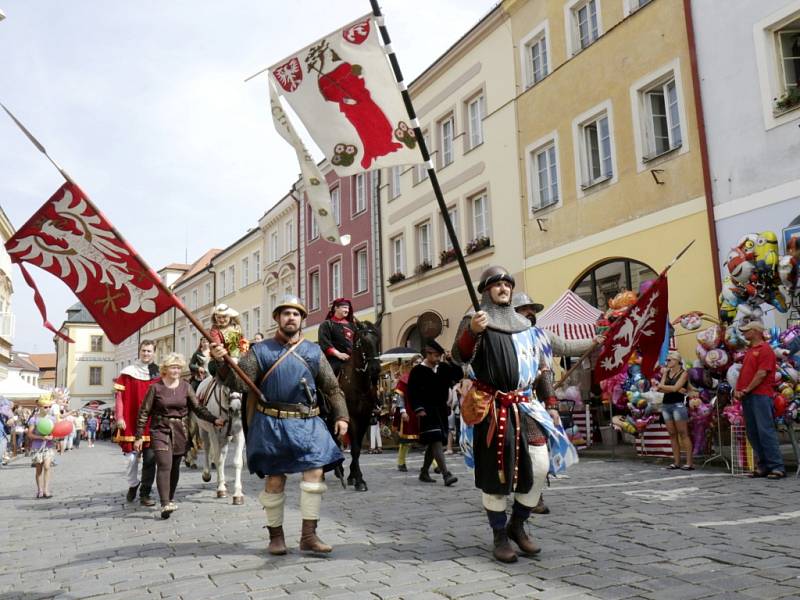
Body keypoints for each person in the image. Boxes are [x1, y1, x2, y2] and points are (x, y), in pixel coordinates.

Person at [453, 266, 593, 563]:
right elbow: (459, 356)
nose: (503, 288)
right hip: (491, 407)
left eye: (507, 284)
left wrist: (597, 340)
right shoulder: (475, 321)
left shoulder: (528, 328)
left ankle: (517, 525)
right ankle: (499, 535)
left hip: (526, 406)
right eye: (497, 284)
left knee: (540, 465)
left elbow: (551, 360)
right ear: (486, 290)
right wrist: (472, 332)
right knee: (496, 476)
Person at [210, 295, 349, 555]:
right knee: (275, 480)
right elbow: (240, 384)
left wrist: (342, 416)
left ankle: (309, 535)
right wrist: (221, 362)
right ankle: (276, 537)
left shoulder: (313, 351)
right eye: (286, 313)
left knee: (315, 474)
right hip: (272, 422)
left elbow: (331, 387)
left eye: (295, 314)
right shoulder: (259, 351)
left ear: (301, 319)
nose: (291, 318)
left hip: (308, 422)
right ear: (277, 318)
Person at [134, 353, 224, 519]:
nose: (175, 370)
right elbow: (144, 412)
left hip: (180, 430)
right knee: (164, 464)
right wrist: (139, 435)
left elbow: (198, 408)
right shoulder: (156, 388)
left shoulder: (186, 387)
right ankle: (164, 503)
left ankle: (170, 497)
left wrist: (214, 419)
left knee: (175, 467)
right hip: (160, 429)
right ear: (165, 369)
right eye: (172, 367)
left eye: (178, 367)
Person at [734, 320, 785, 479]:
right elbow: (745, 373)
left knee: (765, 430)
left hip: (760, 395)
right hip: (748, 396)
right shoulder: (751, 349)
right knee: (753, 432)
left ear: (756, 331)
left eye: (746, 330)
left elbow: (762, 373)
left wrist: (746, 389)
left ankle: (777, 467)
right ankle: (763, 466)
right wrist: (738, 389)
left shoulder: (764, 349)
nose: (743, 333)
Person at [408, 340, 462, 486]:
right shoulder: (417, 371)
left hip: (441, 410)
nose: (438, 359)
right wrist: (418, 408)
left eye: (440, 356)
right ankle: (446, 474)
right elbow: (412, 392)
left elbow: (458, 375)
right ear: (428, 354)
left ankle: (424, 472)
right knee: (436, 439)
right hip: (427, 411)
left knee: (434, 443)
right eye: (436, 356)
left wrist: (451, 360)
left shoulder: (443, 368)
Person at [114, 339, 159, 506]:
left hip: (152, 422)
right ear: (139, 352)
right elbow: (119, 398)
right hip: (131, 420)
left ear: (154, 352)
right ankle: (133, 484)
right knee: (131, 460)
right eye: (144, 350)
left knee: (150, 460)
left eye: (149, 351)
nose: (146, 353)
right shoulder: (128, 372)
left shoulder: (158, 373)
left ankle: (145, 493)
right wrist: (119, 417)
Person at [657, 351, 692, 470]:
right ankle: (676, 462)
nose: (667, 362)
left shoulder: (684, 373)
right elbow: (659, 388)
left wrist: (674, 389)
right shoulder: (666, 372)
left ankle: (689, 462)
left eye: (669, 360)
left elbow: (675, 387)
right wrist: (674, 389)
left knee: (683, 433)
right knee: (672, 434)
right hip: (666, 404)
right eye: (667, 360)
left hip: (678, 404)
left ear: (677, 360)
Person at [392, 356, 421, 472]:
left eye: (420, 362)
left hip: (422, 413)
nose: (418, 364)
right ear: (412, 364)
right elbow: (399, 396)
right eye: (416, 362)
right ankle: (401, 462)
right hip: (409, 412)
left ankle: (436, 465)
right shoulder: (405, 378)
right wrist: (403, 411)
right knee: (405, 442)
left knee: (429, 441)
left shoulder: (426, 377)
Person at [317, 298, 356, 376]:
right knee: (327, 377)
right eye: (344, 307)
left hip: (353, 360)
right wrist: (339, 354)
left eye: (348, 308)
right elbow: (324, 343)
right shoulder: (326, 325)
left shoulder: (352, 325)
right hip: (334, 360)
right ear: (336, 308)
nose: (347, 310)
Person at [27, 395, 57, 498]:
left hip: (48, 446)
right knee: (39, 469)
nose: (48, 409)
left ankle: (46, 490)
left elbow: (55, 432)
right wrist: (42, 437)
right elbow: (29, 434)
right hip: (37, 447)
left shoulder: (52, 419)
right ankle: (39, 490)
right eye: (45, 407)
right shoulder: (34, 419)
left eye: (49, 407)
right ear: (39, 406)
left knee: (47, 467)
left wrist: (54, 437)